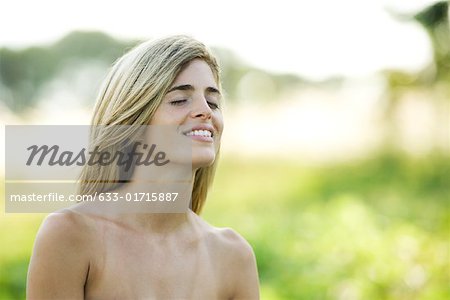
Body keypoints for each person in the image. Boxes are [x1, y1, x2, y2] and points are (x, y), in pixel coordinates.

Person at [26, 35, 260, 299]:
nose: (205, 111)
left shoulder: (233, 255)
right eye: (179, 100)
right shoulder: (71, 234)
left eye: (213, 102)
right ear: (134, 120)